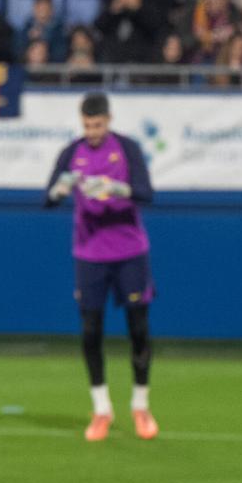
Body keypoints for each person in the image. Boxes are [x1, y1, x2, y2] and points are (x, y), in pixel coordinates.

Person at [45, 93, 159, 442]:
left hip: (129, 252)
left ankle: (140, 405)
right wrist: (58, 190)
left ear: (108, 120)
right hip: (90, 255)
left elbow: (146, 193)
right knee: (91, 331)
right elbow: (47, 200)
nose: (92, 132)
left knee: (138, 327)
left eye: (97, 125)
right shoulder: (71, 152)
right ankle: (101, 409)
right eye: (86, 126)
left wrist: (117, 188)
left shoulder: (127, 148)